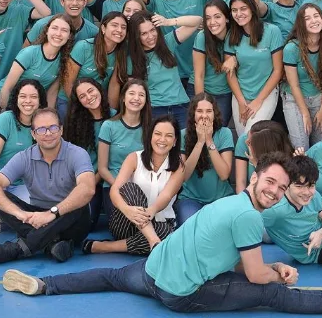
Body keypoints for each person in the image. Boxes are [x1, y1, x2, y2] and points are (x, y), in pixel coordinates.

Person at [0, 153, 322, 316]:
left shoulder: (233, 202)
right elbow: (257, 276)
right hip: (179, 294)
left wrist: (269, 268)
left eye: (280, 187)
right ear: (255, 178)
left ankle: (44, 285)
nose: (274, 191)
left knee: (111, 276)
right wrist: (278, 273)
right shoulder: (250, 218)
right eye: (270, 182)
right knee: (271, 294)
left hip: (153, 271)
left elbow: (234, 259)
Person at [0, 107, 97, 264]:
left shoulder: (77, 153)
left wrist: (52, 213)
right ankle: (52, 245)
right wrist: (20, 214)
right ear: (33, 134)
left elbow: (88, 188)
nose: (48, 133)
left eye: (53, 127)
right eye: (41, 129)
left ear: (61, 130)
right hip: (37, 216)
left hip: (70, 220)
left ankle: (19, 249)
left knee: (80, 200)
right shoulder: (24, 157)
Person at [85, 116, 184, 256]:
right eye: (158, 134)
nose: (162, 139)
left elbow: (167, 195)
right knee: (129, 188)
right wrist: (127, 210)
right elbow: (114, 190)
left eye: (168, 136)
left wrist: (151, 211)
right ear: (150, 136)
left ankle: (106, 246)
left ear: (174, 141)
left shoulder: (178, 166)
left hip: (158, 220)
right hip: (126, 221)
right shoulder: (134, 158)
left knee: (166, 234)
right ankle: (153, 241)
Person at [0, 79, 43, 233]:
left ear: (40, 101)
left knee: (34, 204)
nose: (28, 101)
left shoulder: (42, 123)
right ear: (16, 99)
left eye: (33, 97)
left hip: (20, 183)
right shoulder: (6, 118)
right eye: (23, 96)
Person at [222, 0, 284, 136]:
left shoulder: (272, 31)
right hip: (240, 94)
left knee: (251, 136)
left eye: (243, 9)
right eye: (234, 10)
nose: (239, 14)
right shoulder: (231, 35)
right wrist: (241, 102)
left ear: (252, 9)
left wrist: (258, 101)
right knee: (242, 138)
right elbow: (230, 73)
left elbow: (278, 71)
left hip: (265, 94)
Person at [120, 13, 194, 128]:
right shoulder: (132, 60)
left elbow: (196, 21)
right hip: (154, 110)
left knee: (185, 139)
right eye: (144, 33)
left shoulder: (167, 42)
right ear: (136, 37)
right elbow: (132, 90)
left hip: (181, 106)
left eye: (152, 30)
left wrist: (168, 22)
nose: (150, 36)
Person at [281, 3, 322, 151]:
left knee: (321, 147)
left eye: (316, 16)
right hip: (295, 99)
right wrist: (305, 113)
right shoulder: (292, 48)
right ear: (301, 24)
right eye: (307, 18)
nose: (313, 21)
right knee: (301, 147)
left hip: (320, 98)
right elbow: (294, 85)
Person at [173, 93, 236, 225]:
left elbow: (224, 174)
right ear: (193, 114)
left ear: (214, 113)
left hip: (221, 197)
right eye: (200, 111)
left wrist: (208, 140)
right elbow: (184, 176)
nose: (204, 115)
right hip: (191, 198)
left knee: (221, 226)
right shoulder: (183, 134)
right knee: (189, 225)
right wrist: (200, 141)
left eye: (209, 111)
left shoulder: (224, 133)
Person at [0, 14, 73, 109]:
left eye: (64, 30)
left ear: (69, 36)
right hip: (1, 100)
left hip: (28, 105)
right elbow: (6, 88)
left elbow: (51, 94)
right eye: (54, 28)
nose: (58, 34)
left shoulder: (64, 61)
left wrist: (48, 115)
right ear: (47, 31)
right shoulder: (29, 53)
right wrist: (5, 112)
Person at [61, 11, 128, 114]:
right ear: (103, 28)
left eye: (123, 27)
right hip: (71, 100)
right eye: (114, 25)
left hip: (97, 101)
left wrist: (111, 114)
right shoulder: (83, 47)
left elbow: (114, 85)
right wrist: (83, 108)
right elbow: (68, 82)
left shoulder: (121, 53)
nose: (119, 30)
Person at [97, 78, 152, 200]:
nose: (136, 98)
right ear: (123, 98)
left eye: (141, 95)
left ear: (146, 100)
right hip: (113, 185)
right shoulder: (109, 126)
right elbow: (102, 169)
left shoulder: (151, 128)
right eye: (131, 93)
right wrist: (121, 187)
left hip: (142, 188)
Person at [193, 0, 236, 126]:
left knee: (218, 129)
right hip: (203, 90)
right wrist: (201, 104)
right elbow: (199, 75)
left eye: (217, 17)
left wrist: (234, 58)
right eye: (208, 18)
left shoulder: (235, 35)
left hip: (225, 93)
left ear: (227, 18)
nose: (212, 22)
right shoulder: (202, 37)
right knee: (201, 127)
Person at [63, 77, 112, 173]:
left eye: (90, 91)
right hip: (85, 175)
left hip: (111, 174)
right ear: (79, 102)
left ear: (99, 89)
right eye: (82, 96)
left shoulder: (115, 117)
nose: (89, 97)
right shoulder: (75, 124)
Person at [25, 0, 97, 48]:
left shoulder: (93, 32)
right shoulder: (42, 25)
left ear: (84, 3)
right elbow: (24, 52)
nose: (74, 3)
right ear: (62, 2)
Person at [233, 120, 294, 192]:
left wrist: (256, 165)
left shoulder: (285, 163)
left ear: (262, 148)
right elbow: (241, 183)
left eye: (250, 142)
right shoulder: (244, 139)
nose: (246, 142)